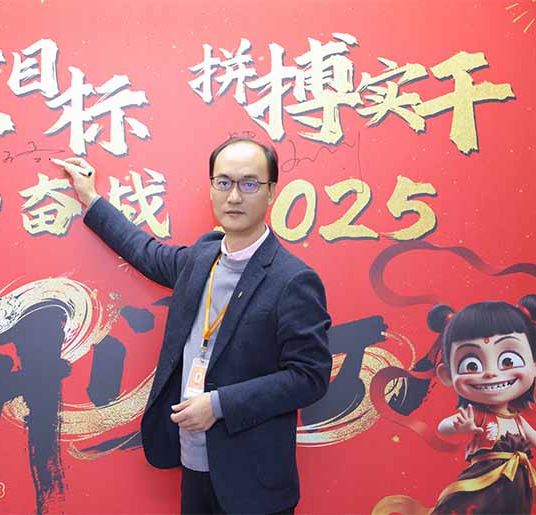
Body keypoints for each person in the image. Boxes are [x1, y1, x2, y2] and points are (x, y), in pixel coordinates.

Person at [52, 137, 332, 514]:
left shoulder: (293, 280)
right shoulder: (202, 257)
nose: (234, 196)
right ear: (212, 188)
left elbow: (310, 377)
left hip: (254, 482)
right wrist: (90, 198)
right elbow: (145, 252)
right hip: (192, 462)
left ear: (271, 192)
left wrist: (219, 405)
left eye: (249, 183)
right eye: (224, 182)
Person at [371, 294, 536, 515]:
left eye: (508, 361)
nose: (490, 373)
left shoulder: (516, 420)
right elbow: (443, 427)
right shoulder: (476, 415)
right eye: (472, 365)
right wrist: (461, 426)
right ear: (447, 375)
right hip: (483, 487)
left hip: (516, 489)